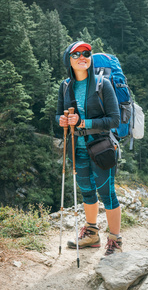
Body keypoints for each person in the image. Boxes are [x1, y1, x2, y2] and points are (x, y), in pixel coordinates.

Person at [56, 41, 123, 255]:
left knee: (107, 193)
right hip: (78, 149)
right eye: (76, 54)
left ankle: (115, 240)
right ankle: (92, 234)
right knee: (87, 192)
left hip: (102, 147)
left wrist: (84, 123)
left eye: (86, 53)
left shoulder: (103, 84)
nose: (82, 57)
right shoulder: (66, 86)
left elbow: (114, 119)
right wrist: (62, 121)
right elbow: (58, 113)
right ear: (69, 60)